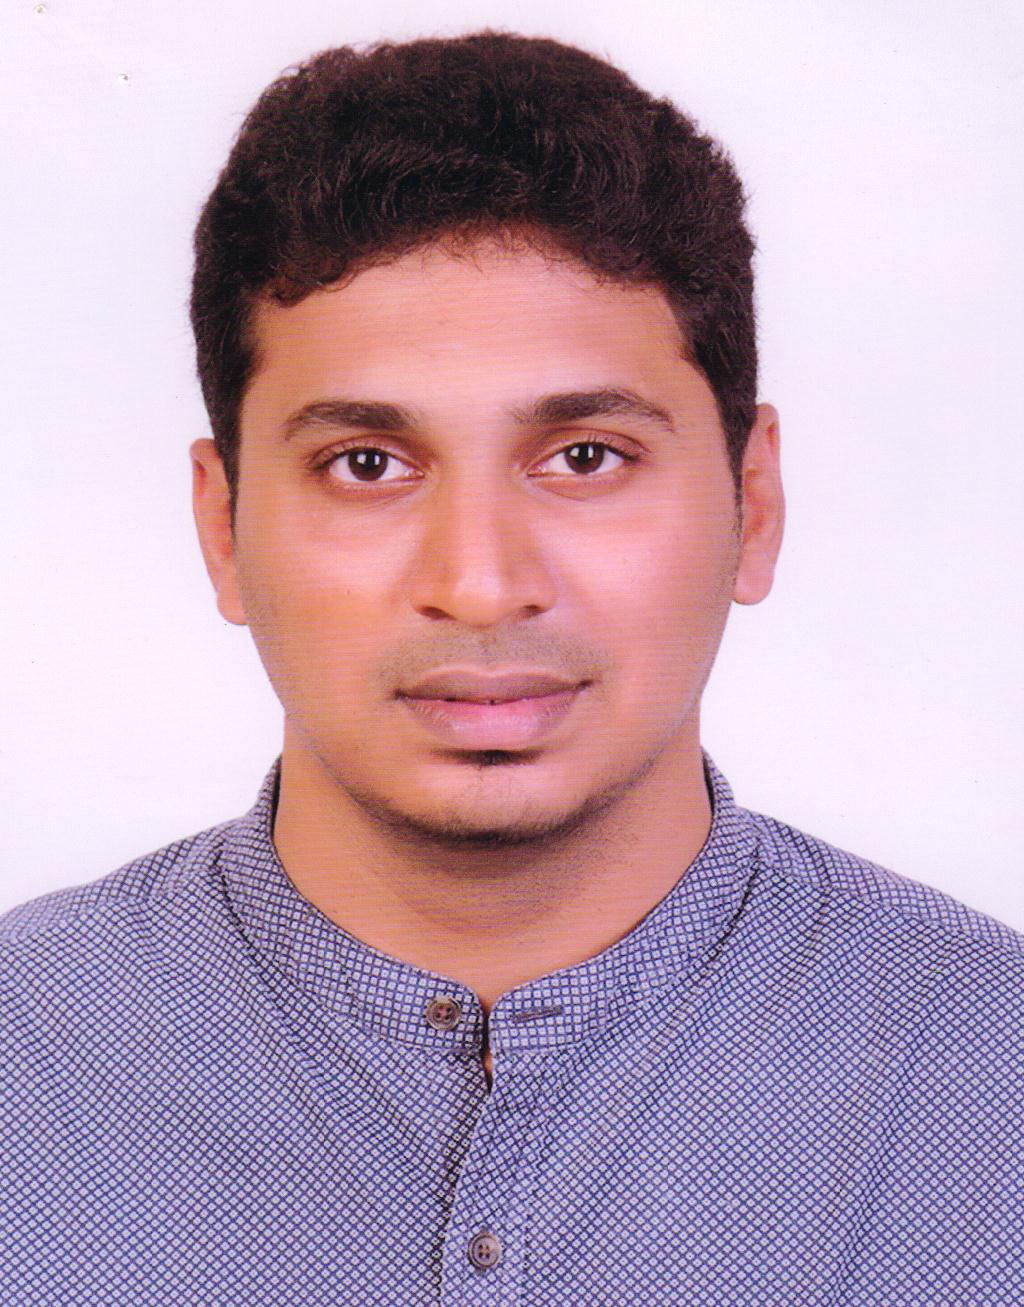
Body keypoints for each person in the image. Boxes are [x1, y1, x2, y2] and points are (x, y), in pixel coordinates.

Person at [1, 29, 1020, 1305]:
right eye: (367, 463)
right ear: (224, 527)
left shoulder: (994, 1069)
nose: (480, 583)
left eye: (585, 456)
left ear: (752, 503)